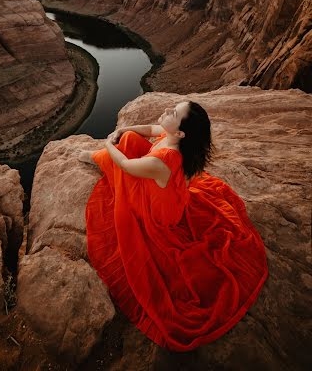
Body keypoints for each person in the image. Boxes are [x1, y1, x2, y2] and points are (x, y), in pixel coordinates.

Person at [79, 100, 269, 352]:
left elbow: (125, 165)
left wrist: (106, 143)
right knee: (130, 139)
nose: (168, 111)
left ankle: (95, 157)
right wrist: (123, 130)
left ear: (180, 132)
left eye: (174, 113)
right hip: (171, 199)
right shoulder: (176, 140)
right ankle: (99, 155)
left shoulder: (163, 160)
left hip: (155, 217)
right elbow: (148, 129)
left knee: (122, 156)